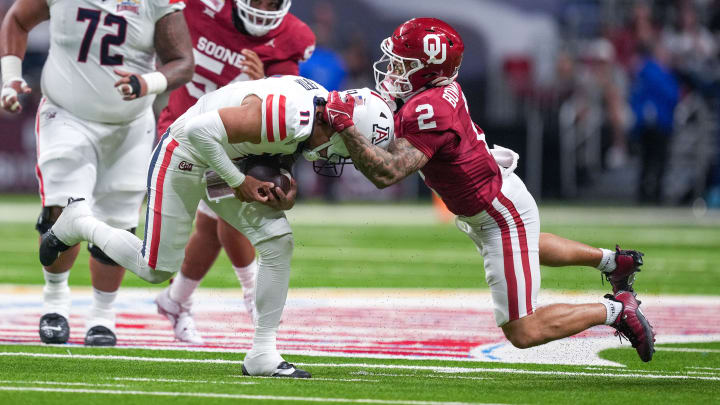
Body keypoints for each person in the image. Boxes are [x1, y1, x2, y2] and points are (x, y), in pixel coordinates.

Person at [328, 18, 655, 361]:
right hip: (496, 199)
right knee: (527, 245)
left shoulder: (430, 110)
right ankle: (612, 262)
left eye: (403, 65)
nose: (393, 71)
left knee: (523, 329)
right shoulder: (431, 93)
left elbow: (388, 173)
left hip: (498, 212)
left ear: (428, 71)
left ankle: (618, 312)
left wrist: (346, 127)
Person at [38, 76, 395, 376]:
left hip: (227, 157)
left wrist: (283, 187)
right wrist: (238, 180)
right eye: (349, 145)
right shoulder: (290, 115)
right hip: (186, 152)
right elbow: (197, 132)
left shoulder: (319, 113)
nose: (344, 155)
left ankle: (262, 354)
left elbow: (276, 154)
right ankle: (79, 221)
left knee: (277, 239)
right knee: (154, 269)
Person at [0, 0, 194, 346]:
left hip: (130, 125)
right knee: (60, 209)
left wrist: (147, 82)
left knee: (117, 223)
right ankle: (55, 304)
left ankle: (103, 315)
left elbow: (182, 63)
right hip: (66, 113)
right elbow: (16, 19)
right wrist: (11, 78)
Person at [154, 0, 315, 344]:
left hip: (233, 139)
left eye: (270, 2)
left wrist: (264, 86)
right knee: (228, 210)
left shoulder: (292, 35)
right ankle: (250, 295)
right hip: (185, 128)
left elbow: (287, 96)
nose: (261, 6)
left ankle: (176, 300)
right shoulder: (198, 7)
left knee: (215, 223)